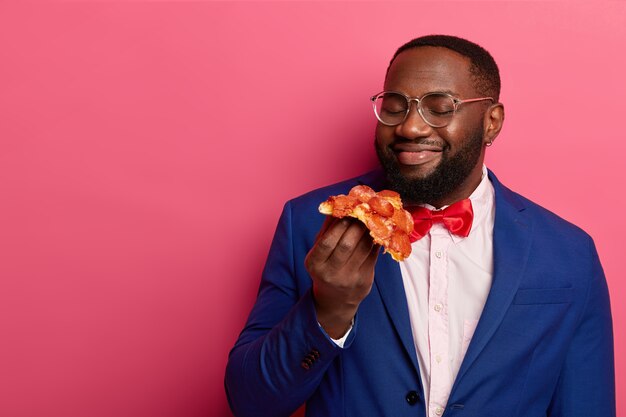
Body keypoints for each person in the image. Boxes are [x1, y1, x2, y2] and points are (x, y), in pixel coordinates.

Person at [224, 35, 615, 417]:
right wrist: (329, 309)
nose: (410, 127)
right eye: (394, 107)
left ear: (492, 122)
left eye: (440, 107)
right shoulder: (312, 223)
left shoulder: (569, 254)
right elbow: (252, 402)